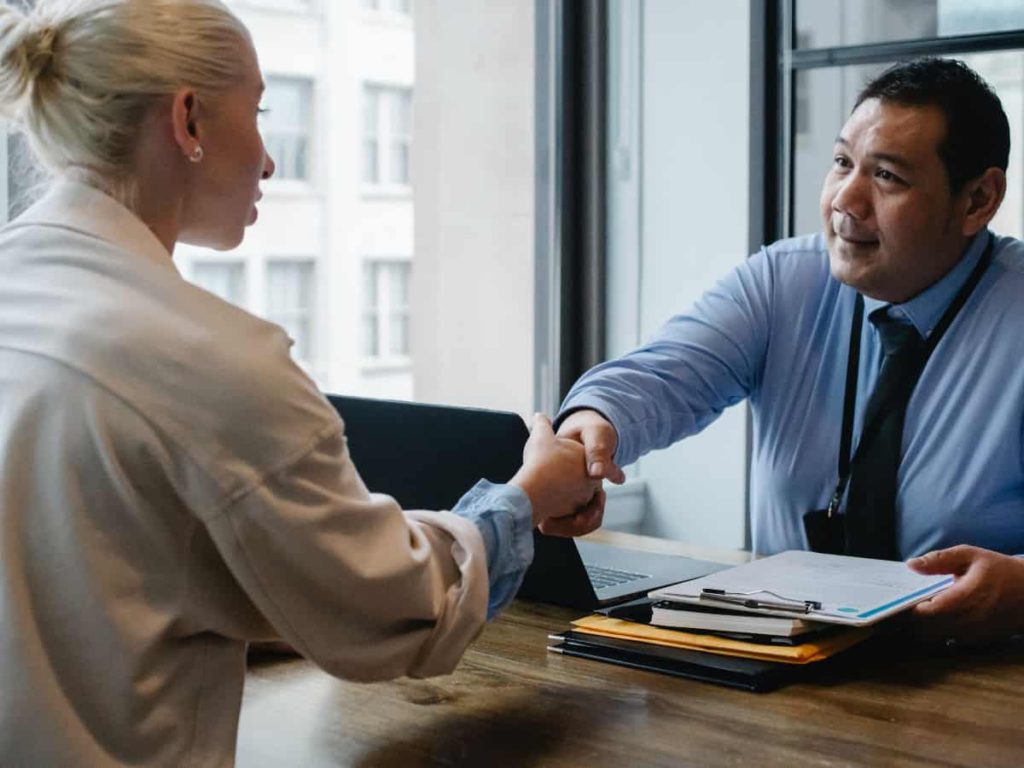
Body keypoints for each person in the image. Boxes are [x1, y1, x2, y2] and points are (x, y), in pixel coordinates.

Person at [0, 1, 601, 765]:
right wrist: (525, 498)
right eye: (258, 111)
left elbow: (100, 570)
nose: (271, 158)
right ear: (187, 120)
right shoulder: (211, 360)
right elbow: (397, 609)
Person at [557, 57, 1024, 646]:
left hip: (982, 687)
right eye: (842, 164)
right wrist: (593, 425)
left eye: (887, 177)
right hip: (789, 667)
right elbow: (664, 376)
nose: (844, 201)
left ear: (978, 199)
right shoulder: (786, 280)